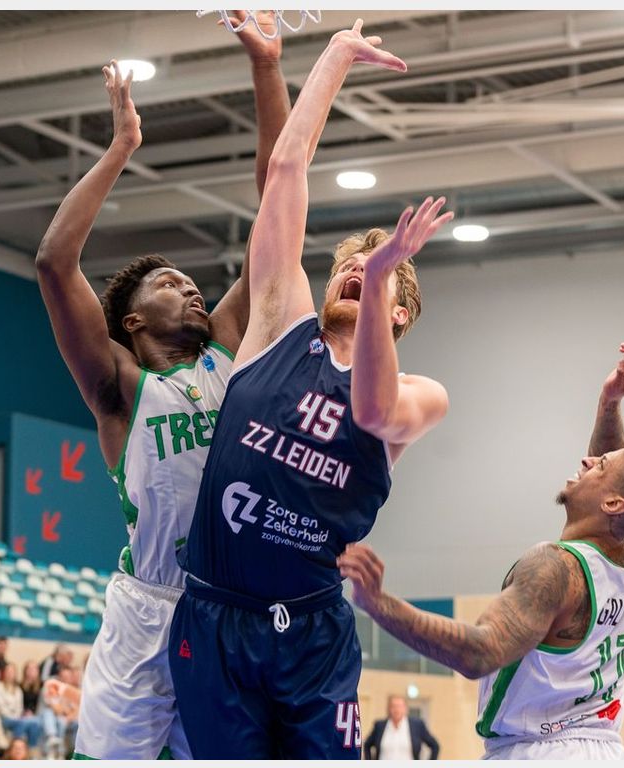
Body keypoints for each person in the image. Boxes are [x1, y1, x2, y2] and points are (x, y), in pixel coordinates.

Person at [169, 21, 456, 760]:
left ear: (400, 314)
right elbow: (286, 171)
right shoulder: (277, 322)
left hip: (312, 632)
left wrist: (384, 270)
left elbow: (371, 409)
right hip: (216, 615)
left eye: (377, 273)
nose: (358, 268)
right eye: (349, 266)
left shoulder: (421, 394)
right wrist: (334, 57)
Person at [35, 15, 290, 762]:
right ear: (134, 320)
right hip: (147, 611)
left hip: (226, 608)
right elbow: (54, 261)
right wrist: (120, 148)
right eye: (172, 285)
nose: (193, 289)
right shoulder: (119, 385)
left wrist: (266, 68)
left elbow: (279, 202)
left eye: (191, 282)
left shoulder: (229, 348)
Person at [340, 343, 624, 760]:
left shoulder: (556, 570)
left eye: (600, 466)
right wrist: (609, 404)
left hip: (538, 752)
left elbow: (480, 652)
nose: (588, 462)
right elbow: (621, 486)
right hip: (606, 751)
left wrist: (380, 604)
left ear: (613, 504)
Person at [363, 694, 439, 759]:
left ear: (405, 708)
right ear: (388, 709)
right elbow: (367, 745)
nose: (396, 710)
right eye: (393, 706)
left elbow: (435, 746)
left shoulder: (417, 725)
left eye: (399, 706)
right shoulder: (379, 726)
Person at [0, 662, 42, 752]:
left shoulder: (18, 689)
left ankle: (31, 751)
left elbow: (19, 707)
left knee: (34, 724)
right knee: (23, 722)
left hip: (16, 717)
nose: (10, 674)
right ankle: (13, 750)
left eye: (12, 672)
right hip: (3, 717)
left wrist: (17, 716)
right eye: (8, 671)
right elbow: (0, 706)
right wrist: (13, 716)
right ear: (4, 673)